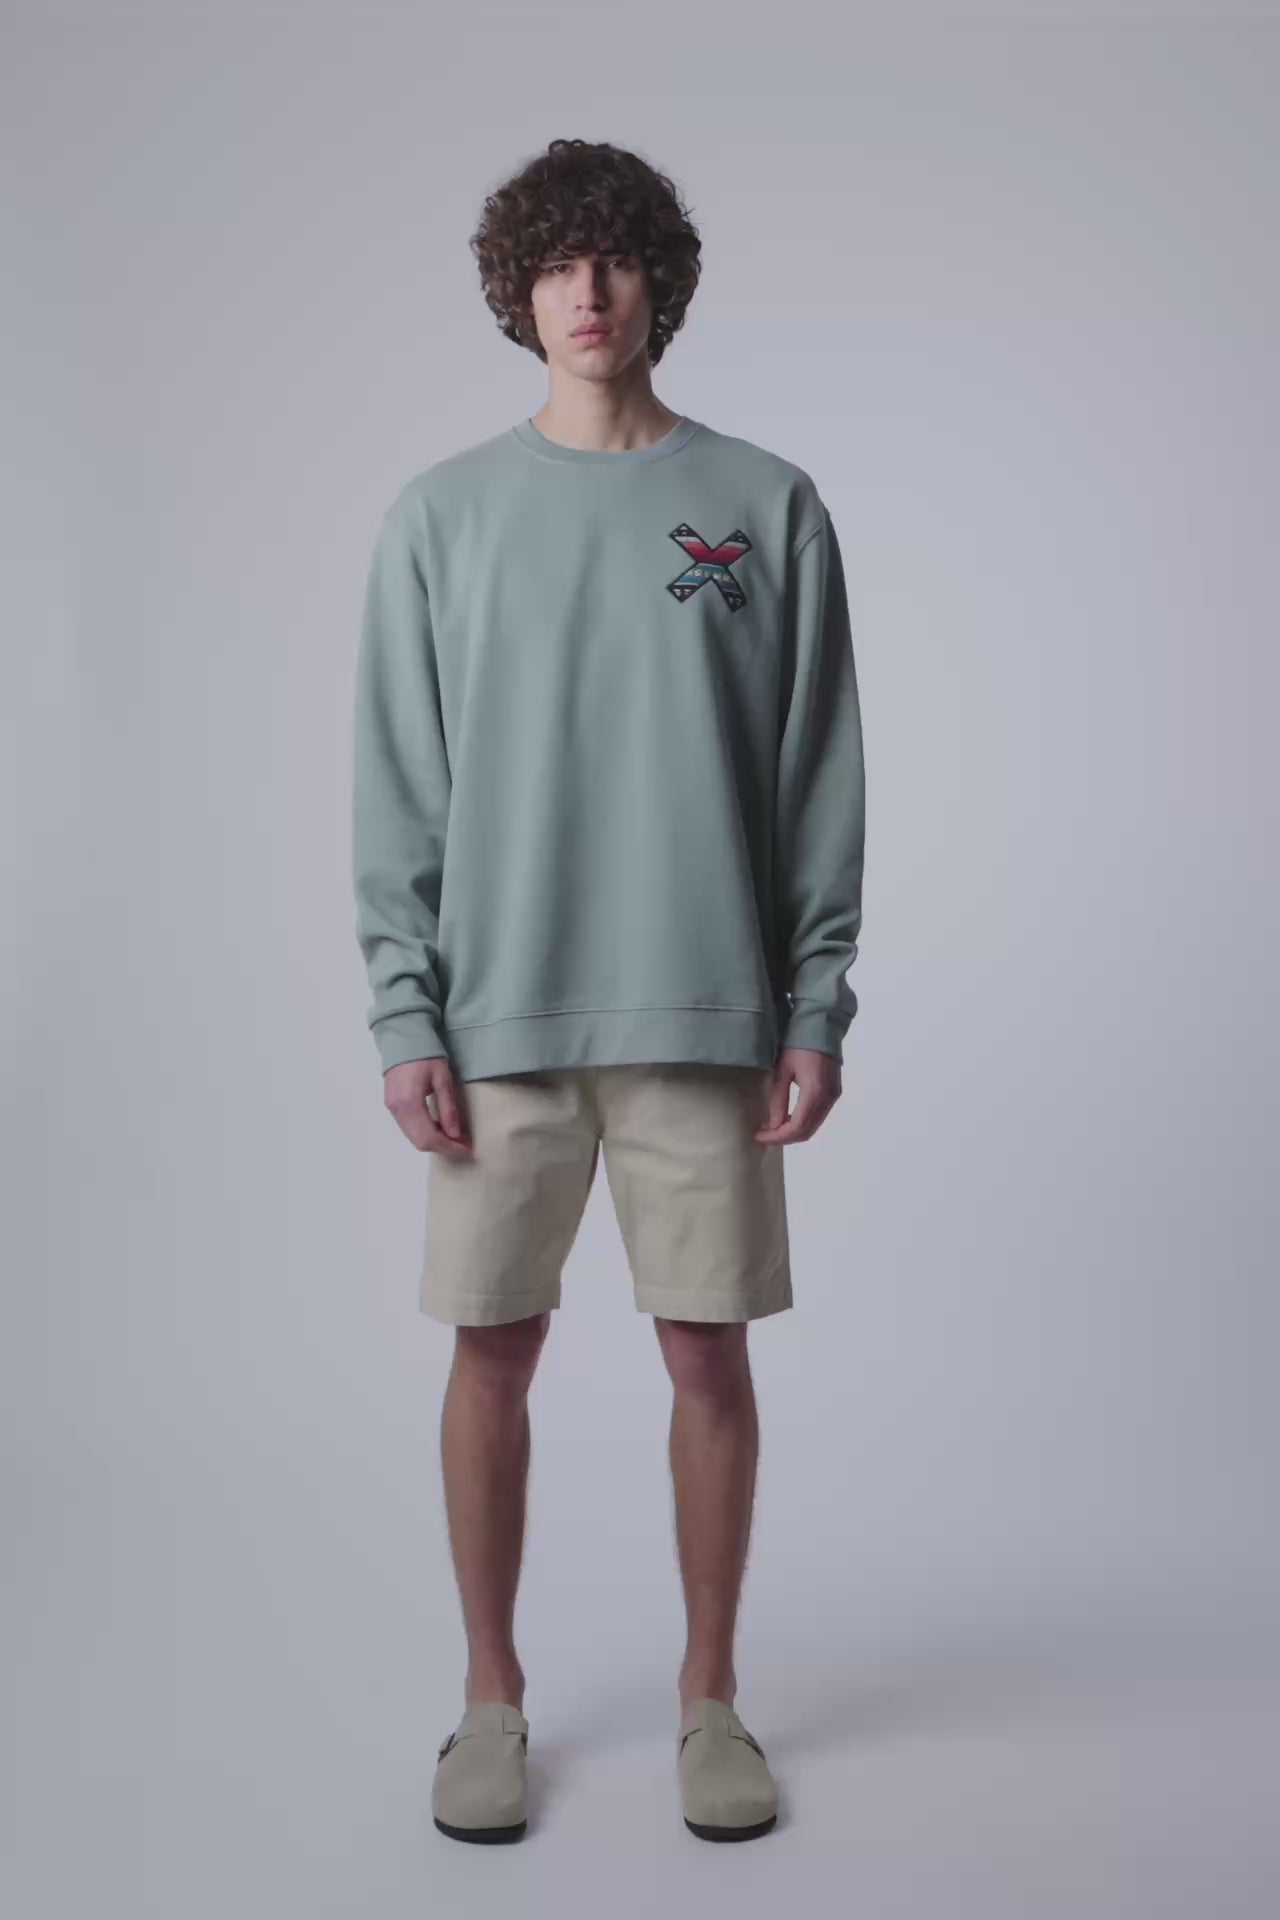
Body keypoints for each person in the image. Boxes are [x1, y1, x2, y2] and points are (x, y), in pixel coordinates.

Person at [351, 137, 866, 1844]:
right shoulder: (441, 516)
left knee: (706, 1358)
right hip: (498, 1018)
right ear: (519, 292)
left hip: (706, 1013)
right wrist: (406, 1011)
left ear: (662, 283)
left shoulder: (765, 505)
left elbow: (816, 774)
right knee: (491, 1352)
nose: (589, 292)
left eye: (617, 259)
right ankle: (489, 1700)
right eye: (558, 264)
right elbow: (400, 784)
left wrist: (814, 1002)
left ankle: (710, 1698)